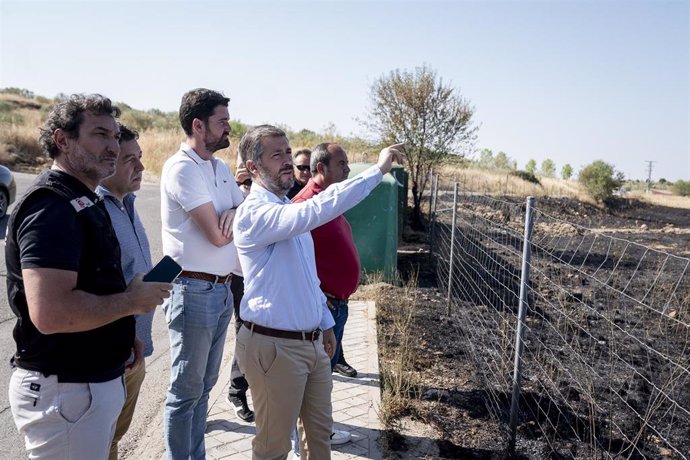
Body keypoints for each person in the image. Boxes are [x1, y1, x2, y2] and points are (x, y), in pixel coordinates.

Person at [5, 94, 170, 459]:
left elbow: (91, 286)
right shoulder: (51, 207)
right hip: (66, 391)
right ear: (63, 140)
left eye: (115, 137)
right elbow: (51, 313)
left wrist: (121, 334)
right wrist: (130, 302)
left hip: (86, 387)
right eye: (100, 135)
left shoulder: (83, 200)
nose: (112, 147)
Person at [233, 124, 403, 459]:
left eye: (287, 151)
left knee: (318, 443)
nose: (287, 160)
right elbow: (321, 206)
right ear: (253, 167)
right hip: (275, 347)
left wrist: (324, 321)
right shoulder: (256, 214)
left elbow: (306, 277)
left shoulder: (284, 210)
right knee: (273, 448)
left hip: (310, 345)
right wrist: (379, 169)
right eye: (276, 154)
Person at [160, 88, 245, 459]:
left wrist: (236, 215)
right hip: (192, 290)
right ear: (199, 125)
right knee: (185, 393)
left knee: (204, 388)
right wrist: (232, 219)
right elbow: (216, 235)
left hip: (221, 290)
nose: (229, 127)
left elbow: (247, 215)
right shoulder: (181, 168)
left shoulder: (219, 167)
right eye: (221, 121)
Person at [96, 123, 155, 460]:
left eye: (141, 158)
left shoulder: (128, 203)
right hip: (111, 354)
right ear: (109, 161)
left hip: (136, 351)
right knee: (100, 442)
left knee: (113, 439)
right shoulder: (96, 210)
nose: (141, 167)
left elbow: (133, 270)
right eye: (130, 160)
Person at [225, 156, 255, 423]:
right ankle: (236, 391)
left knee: (253, 336)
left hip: (261, 276)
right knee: (245, 335)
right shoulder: (230, 191)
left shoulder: (266, 190)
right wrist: (238, 185)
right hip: (237, 278)